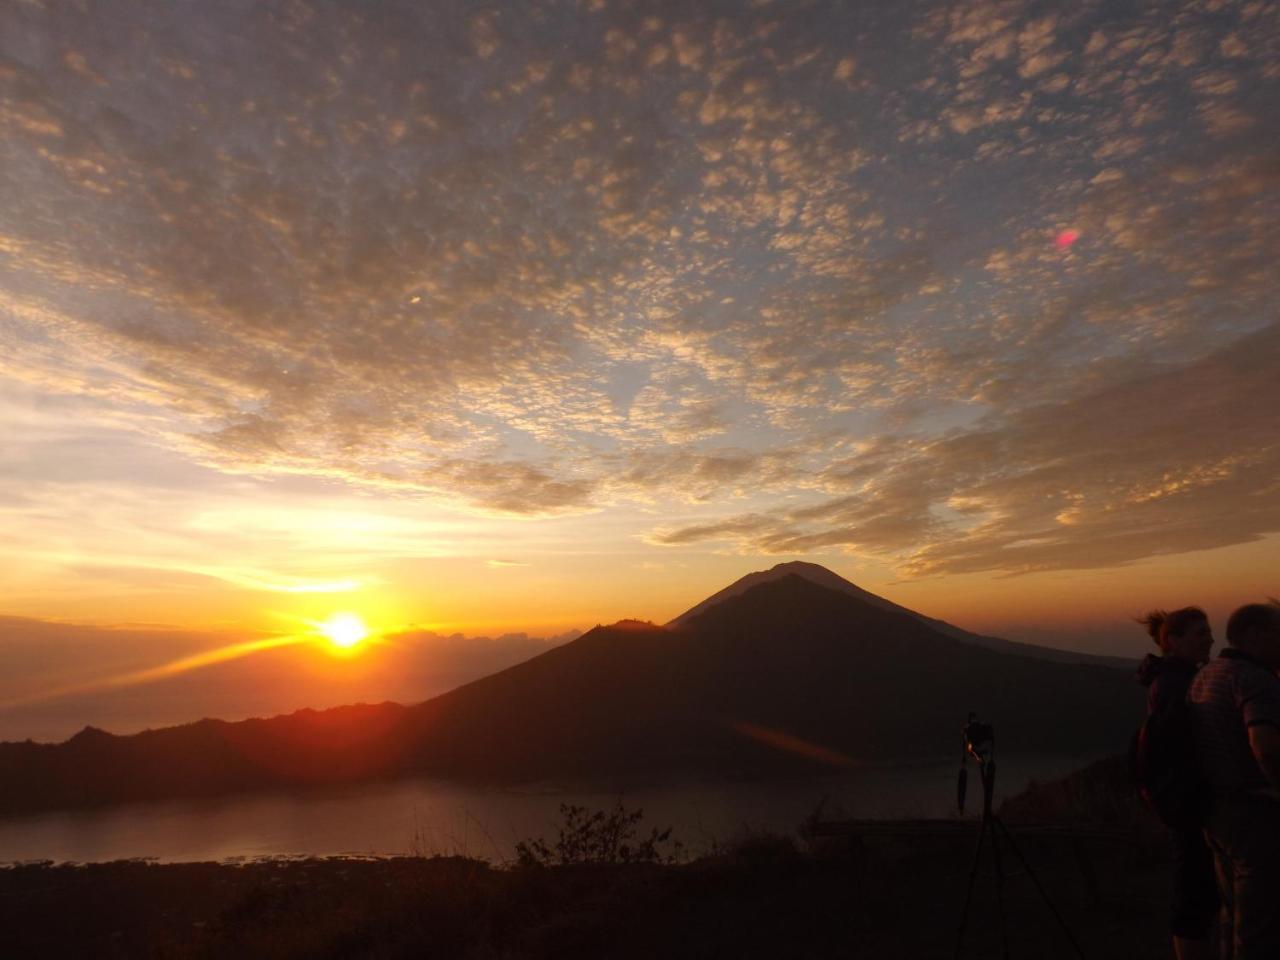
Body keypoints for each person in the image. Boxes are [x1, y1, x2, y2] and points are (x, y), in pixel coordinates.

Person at [1187, 602, 1280, 960]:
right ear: (1254, 635)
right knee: (1261, 926)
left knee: (1233, 916)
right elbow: (1267, 747)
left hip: (1216, 815)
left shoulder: (1207, 675)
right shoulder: (1253, 678)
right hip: (1255, 816)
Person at [1135, 607, 1218, 960]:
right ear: (1173, 640)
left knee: (1197, 888)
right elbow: (1183, 748)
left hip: (1181, 800)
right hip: (1187, 802)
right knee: (1195, 891)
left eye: (1208, 632)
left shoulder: (1174, 678)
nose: (1211, 640)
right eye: (1201, 633)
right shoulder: (1176, 684)